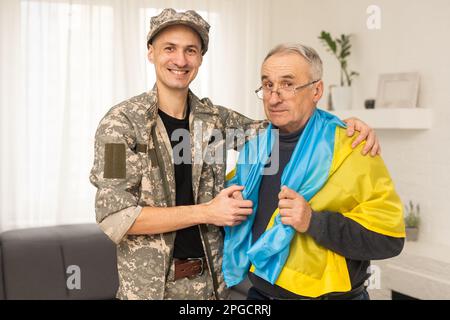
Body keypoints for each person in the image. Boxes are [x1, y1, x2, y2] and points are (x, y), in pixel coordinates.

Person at [89, 9, 381, 300]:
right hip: (147, 292)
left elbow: (282, 127)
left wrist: (342, 126)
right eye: (170, 48)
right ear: (151, 52)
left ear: (200, 58)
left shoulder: (216, 122)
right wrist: (207, 212)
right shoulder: (120, 126)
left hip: (211, 290)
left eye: (190, 50)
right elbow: (116, 216)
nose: (180, 60)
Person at [223, 43, 405, 300]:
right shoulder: (254, 147)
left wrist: (313, 221)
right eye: (267, 85)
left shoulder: (352, 147)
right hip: (259, 295)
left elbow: (389, 240)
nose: (274, 98)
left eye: (288, 84)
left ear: (316, 90)